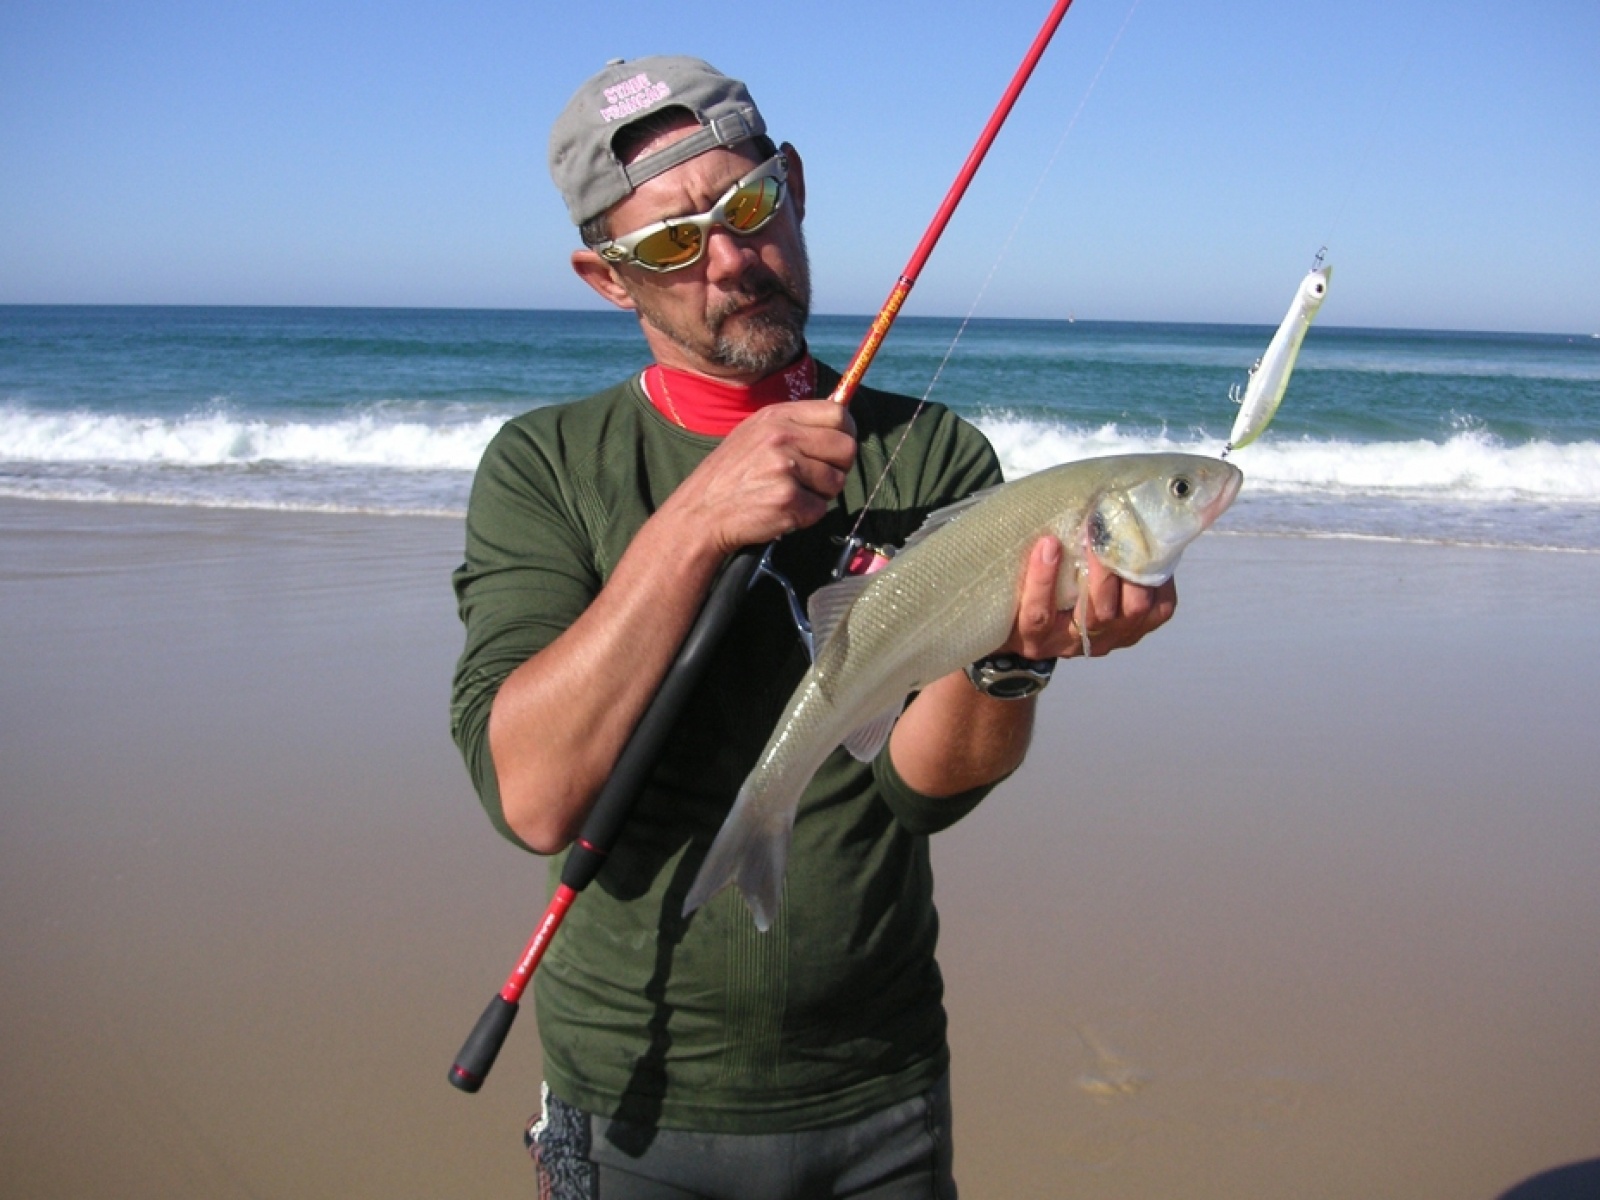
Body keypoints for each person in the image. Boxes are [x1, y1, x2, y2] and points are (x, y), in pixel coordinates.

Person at [450, 56, 1176, 1198]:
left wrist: (1012, 661)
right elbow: (534, 796)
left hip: (876, 1088)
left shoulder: (935, 454)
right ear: (606, 279)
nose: (731, 259)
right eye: (669, 245)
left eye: (747, 208)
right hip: (631, 1097)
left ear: (791, 183)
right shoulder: (543, 466)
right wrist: (695, 520)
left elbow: (923, 793)